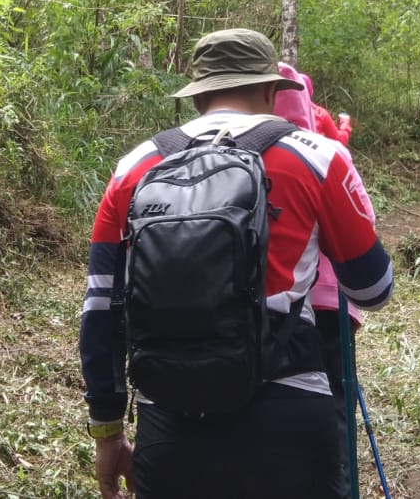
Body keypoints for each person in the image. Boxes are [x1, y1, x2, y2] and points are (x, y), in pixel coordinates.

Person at [80, 29, 395, 499]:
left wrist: (108, 432)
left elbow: (100, 311)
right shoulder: (320, 158)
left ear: (198, 96)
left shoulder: (134, 168)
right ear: (271, 90)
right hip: (289, 418)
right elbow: (372, 290)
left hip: (169, 424)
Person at [274, 63, 373, 494]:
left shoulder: (242, 153)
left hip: (275, 309)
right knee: (336, 411)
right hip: (333, 304)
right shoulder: (324, 150)